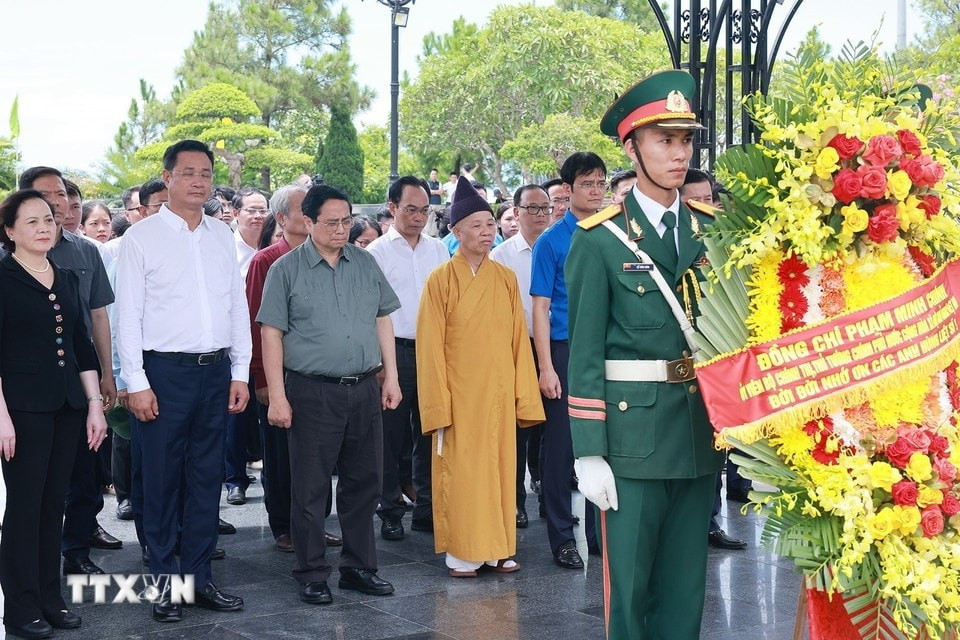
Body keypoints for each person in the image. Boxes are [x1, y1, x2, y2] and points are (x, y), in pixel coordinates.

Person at [565, 70, 725, 639]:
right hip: (630, 444)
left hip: (698, 434)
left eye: (685, 141)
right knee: (629, 596)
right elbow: (582, 352)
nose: (679, 154)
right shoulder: (600, 240)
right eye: (664, 141)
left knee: (685, 595)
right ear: (631, 149)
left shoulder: (714, 232)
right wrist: (588, 451)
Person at [116, 139, 251, 623]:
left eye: (206, 174)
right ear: (168, 177)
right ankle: (163, 586)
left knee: (205, 479)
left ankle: (199, 581)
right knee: (160, 481)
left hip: (215, 372)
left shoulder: (222, 235)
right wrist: (135, 381)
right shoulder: (142, 238)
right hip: (162, 375)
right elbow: (126, 318)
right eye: (189, 172)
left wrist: (239, 371)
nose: (199, 181)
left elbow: (237, 308)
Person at [258, 184, 400, 606]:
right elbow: (271, 335)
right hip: (312, 391)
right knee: (311, 487)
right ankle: (312, 571)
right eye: (331, 222)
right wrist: (278, 397)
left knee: (365, 483)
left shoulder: (366, 263)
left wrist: (390, 377)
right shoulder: (285, 270)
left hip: (362, 388)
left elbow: (382, 321)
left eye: (346, 221)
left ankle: (358, 567)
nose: (341, 229)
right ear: (308, 221)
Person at [416, 177, 544, 577]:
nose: (487, 231)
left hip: (499, 393)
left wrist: (523, 394)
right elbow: (430, 348)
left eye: (490, 224)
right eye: (476, 225)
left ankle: (499, 547)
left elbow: (518, 344)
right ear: (456, 231)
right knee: (467, 472)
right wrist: (439, 403)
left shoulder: (504, 278)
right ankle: (465, 550)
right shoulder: (440, 279)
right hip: (460, 396)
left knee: (503, 470)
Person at [0, 189, 108, 640]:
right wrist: (2, 419)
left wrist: (95, 405)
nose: (45, 227)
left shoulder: (63, 276)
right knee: (24, 510)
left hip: (68, 406)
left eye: (49, 218)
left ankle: (50, 598)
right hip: (21, 412)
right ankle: (20, 608)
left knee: (52, 507)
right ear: (9, 232)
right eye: (32, 222)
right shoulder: (3, 278)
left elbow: (81, 344)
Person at [17, 166, 120, 575]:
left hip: (81, 378)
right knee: (33, 486)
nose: (57, 204)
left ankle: (75, 551)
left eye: (61, 195)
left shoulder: (84, 252)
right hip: (28, 388)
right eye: (47, 197)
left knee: (83, 470)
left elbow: (97, 318)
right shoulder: (9, 257)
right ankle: (29, 571)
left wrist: (107, 374)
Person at [245, 184, 342, 554]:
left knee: (319, 456)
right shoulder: (266, 260)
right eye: (305, 208)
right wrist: (263, 380)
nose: (310, 212)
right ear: (282, 218)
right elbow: (257, 325)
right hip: (279, 375)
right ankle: (284, 526)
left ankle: (316, 523)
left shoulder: (332, 255)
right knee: (282, 457)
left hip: (320, 376)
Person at [530, 152, 604, 570]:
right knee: (561, 450)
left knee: (602, 447)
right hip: (564, 350)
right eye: (587, 184)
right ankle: (562, 536)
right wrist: (546, 366)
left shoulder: (614, 233)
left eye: (600, 184)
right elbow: (540, 308)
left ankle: (598, 537)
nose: (595, 192)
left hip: (605, 351)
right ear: (568, 190)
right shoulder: (552, 240)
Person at [366, 176, 449, 542]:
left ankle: (427, 507)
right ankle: (389, 509)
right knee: (389, 437)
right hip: (393, 352)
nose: (418, 217)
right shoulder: (376, 254)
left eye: (424, 210)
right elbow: (370, 313)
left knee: (430, 432)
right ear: (392, 207)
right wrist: (382, 366)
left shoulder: (438, 250)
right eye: (410, 209)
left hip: (433, 351)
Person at [679, 169, 751, 550]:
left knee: (717, 445)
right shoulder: (670, 243)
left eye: (709, 199)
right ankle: (684, 525)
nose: (705, 208)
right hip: (681, 363)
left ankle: (709, 521)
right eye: (696, 201)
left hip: (720, 359)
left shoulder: (725, 241)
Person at [490, 184, 552, 529]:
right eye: (531, 208)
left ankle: (548, 495)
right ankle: (515, 501)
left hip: (554, 345)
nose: (540, 214)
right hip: (518, 347)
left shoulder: (561, 244)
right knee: (518, 430)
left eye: (544, 207)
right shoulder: (502, 256)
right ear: (515, 212)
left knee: (550, 430)